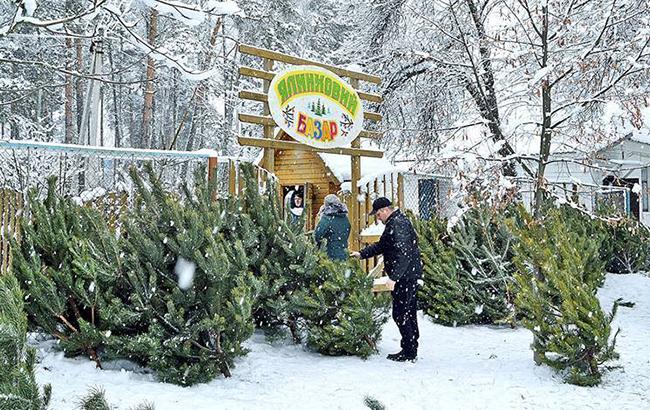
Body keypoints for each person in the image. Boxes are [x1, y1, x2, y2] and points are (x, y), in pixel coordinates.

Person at [351, 197, 422, 362]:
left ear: (384, 210)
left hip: (405, 277)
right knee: (407, 312)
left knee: (402, 313)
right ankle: (410, 348)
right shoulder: (395, 223)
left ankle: (409, 351)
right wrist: (362, 254)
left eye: (377, 215)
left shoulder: (398, 224)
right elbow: (383, 245)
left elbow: (404, 254)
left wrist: (394, 278)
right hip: (407, 275)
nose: (377, 218)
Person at [314, 194, 351, 261]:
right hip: (343, 254)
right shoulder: (345, 218)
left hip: (329, 256)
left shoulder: (327, 218)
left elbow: (317, 236)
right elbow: (347, 232)